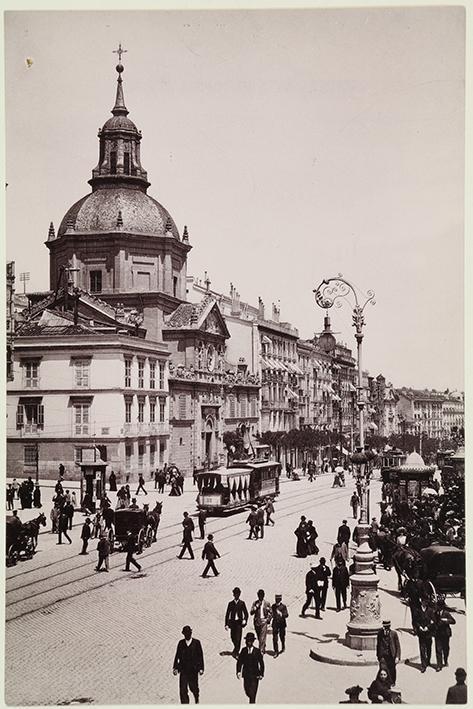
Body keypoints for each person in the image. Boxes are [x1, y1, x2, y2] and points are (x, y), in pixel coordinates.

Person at [173, 625, 204, 704]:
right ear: (183, 634)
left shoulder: (197, 643)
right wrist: (175, 668)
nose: (188, 635)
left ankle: (196, 697)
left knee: (193, 687)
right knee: (183, 689)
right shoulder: (181, 643)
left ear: (191, 633)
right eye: (186, 633)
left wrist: (201, 668)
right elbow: (177, 656)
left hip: (193, 670)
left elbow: (200, 656)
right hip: (183, 670)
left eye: (189, 633)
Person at [236, 632, 265, 704]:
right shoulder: (243, 651)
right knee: (247, 691)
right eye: (247, 641)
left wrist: (261, 674)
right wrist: (238, 671)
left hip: (255, 675)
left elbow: (261, 663)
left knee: (253, 694)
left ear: (252, 641)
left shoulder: (257, 651)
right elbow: (240, 662)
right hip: (246, 675)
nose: (248, 642)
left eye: (250, 641)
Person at [225, 587, 249, 658]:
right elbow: (227, 614)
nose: (236, 595)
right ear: (233, 595)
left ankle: (236, 652)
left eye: (238, 594)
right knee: (232, 637)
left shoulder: (242, 603)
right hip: (232, 623)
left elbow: (246, 613)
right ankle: (236, 648)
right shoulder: (230, 603)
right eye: (235, 594)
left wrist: (245, 620)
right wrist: (226, 624)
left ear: (239, 594)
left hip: (239, 623)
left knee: (238, 638)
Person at [376, 620, 401, 686]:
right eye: (384, 627)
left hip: (391, 656)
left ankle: (392, 682)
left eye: (387, 627)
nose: (386, 629)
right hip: (383, 656)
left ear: (389, 627)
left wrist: (397, 657)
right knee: (382, 669)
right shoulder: (380, 633)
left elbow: (398, 646)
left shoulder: (394, 634)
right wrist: (378, 655)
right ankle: (382, 683)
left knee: (392, 670)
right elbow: (378, 645)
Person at [434, 598, 456, 671]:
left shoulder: (446, 613)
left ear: (442, 607)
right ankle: (439, 665)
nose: (437, 607)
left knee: (445, 649)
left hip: (445, 634)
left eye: (438, 606)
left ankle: (445, 660)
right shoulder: (435, 613)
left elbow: (453, 621)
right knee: (438, 649)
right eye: (437, 606)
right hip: (437, 633)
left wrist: (446, 620)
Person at [250, 589, 272, 655]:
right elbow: (251, 612)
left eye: (262, 595)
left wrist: (268, 619)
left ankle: (260, 651)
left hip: (263, 622)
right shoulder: (255, 603)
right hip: (257, 622)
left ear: (263, 595)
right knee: (259, 637)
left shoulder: (267, 603)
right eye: (259, 595)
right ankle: (263, 646)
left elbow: (271, 613)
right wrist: (256, 607)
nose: (260, 597)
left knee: (262, 637)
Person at [416, 599, 435, 672]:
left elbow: (433, 621)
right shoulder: (418, 610)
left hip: (428, 633)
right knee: (422, 649)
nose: (425, 603)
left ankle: (428, 661)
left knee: (428, 648)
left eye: (426, 602)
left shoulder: (430, 610)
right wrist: (419, 627)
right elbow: (415, 621)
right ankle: (423, 665)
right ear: (421, 602)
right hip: (421, 633)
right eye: (424, 602)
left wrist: (428, 627)